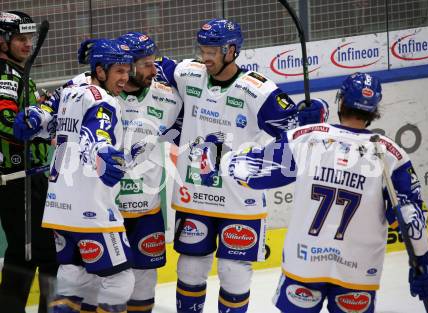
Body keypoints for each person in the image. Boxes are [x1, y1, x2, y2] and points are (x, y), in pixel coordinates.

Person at [224, 73, 428, 312]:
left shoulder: (308, 137)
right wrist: (424, 261)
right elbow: (410, 219)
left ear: (341, 102)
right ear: (375, 110)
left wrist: (220, 156)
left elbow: (250, 172)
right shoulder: (391, 154)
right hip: (358, 269)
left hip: (304, 264)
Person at [157, 18, 327, 313]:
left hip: (240, 200)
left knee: (234, 274)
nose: (205, 56)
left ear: (232, 50)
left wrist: (315, 116)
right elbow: (147, 65)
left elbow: (296, 130)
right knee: (189, 271)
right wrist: (105, 55)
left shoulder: (258, 90)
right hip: (195, 197)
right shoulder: (188, 74)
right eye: (203, 49)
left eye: (212, 50)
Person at [36, 38, 134, 313]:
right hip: (92, 210)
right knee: (120, 281)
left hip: (60, 207)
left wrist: (34, 119)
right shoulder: (104, 101)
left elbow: (48, 124)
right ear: (100, 71)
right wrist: (103, 154)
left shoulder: (72, 92)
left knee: (72, 275)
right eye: (118, 71)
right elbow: (97, 134)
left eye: (127, 71)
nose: (125, 78)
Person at [109, 31, 183, 313]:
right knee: (102, 282)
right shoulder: (99, 96)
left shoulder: (170, 99)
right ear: (128, 66)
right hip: (105, 212)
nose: (155, 69)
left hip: (147, 209)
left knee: (144, 281)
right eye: (148, 64)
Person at [0, 11, 58, 313]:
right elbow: (7, 122)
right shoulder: (5, 76)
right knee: (42, 254)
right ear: (3, 41)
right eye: (20, 38)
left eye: (29, 38)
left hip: (29, 177)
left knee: (28, 254)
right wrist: (38, 126)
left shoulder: (19, 74)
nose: (27, 44)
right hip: (16, 180)